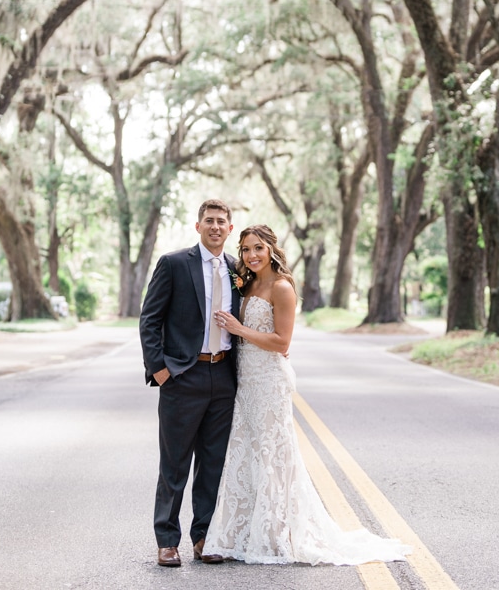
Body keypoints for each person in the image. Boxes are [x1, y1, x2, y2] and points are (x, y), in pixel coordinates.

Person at [203, 224, 412, 565]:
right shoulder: (248, 283)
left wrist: (240, 329)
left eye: (257, 248)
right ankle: (245, 533)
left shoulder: (283, 288)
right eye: (245, 250)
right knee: (249, 453)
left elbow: (282, 342)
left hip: (269, 381)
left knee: (273, 455)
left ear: (271, 248)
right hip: (247, 380)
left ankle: (277, 535)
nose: (251, 255)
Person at [139, 199, 240, 568]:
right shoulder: (173, 264)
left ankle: (204, 537)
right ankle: (167, 540)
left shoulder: (236, 269)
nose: (215, 227)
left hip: (223, 376)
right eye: (209, 221)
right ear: (198, 226)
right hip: (183, 375)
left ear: (230, 229)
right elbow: (149, 319)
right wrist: (160, 370)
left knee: (212, 463)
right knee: (175, 464)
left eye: (221, 222)